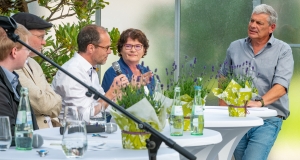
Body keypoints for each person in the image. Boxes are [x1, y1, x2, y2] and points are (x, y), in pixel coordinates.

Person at [219, 4, 294, 160]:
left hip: (268, 120)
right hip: (238, 118)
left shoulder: (283, 50)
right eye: (252, 21)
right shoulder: (235, 47)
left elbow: (281, 87)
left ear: (272, 27)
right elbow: (224, 78)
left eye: (259, 23)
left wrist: (259, 102)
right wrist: (223, 109)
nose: (253, 25)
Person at [52, 24, 129, 122]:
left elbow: (101, 106)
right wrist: (111, 93)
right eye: (107, 47)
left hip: (92, 131)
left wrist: (118, 95)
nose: (109, 52)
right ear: (91, 48)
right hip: (73, 133)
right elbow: (83, 116)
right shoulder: (72, 71)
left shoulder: (90, 70)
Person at [12, 12, 62, 129]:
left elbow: (58, 103)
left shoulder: (34, 64)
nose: (44, 42)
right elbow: (42, 104)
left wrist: (53, 101)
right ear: (22, 36)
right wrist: (53, 102)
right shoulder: (13, 64)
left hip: (53, 131)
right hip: (33, 136)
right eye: (40, 37)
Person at [0, 23, 39, 140]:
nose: (28, 54)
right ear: (14, 51)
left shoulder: (13, 79)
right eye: (27, 49)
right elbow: (7, 131)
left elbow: (32, 126)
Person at [101, 28, 154, 94]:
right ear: (120, 49)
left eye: (138, 46)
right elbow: (110, 102)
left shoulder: (147, 72)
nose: (133, 50)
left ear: (144, 50)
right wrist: (133, 87)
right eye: (128, 46)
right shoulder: (112, 72)